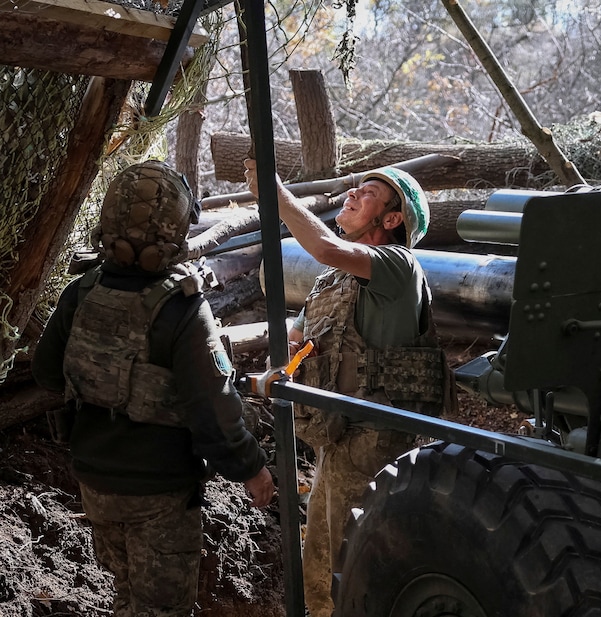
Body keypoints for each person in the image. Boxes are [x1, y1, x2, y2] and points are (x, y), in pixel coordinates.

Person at [31, 160, 274, 617]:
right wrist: (251, 468)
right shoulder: (182, 309)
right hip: (159, 492)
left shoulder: (83, 290)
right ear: (176, 232)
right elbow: (213, 409)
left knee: (126, 597)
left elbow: (46, 374)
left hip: (95, 483)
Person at [244, 160, 453, 617]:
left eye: (369, 194)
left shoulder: (397, 266)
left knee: (347, 568)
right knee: (319, 564)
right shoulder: (333, 281)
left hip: (374, 439)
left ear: (391, 220)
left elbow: (322, 246)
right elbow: (300, 338)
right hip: (337, 436)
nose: (353, 195)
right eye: (355, 188)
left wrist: (273, 191)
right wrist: (285, 362)